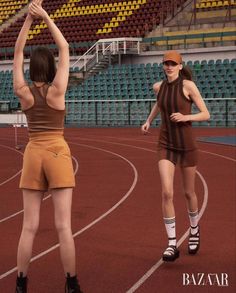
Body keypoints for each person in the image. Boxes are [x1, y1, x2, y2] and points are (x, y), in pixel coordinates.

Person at [13, 1, 82, 292]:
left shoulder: (23, 92)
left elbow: (17, 53)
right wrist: (46, 17)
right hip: (57, 152)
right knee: (63, 227)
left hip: (33, 153)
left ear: (32, 67)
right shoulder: (57, 91)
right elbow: (64, 48)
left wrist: (28, 21)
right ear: (51, 67)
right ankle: (71, 284)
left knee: (29, 226)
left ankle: (20, 284)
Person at [141, 50, 210, 262]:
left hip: (186, 144)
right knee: (167, 193)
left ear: (180, 66)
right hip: (165, 144)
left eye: (173, 63)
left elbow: (206, 114)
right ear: (163, 66)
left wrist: (185, 116)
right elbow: (159, 103)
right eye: (166, 63)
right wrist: (149, 121)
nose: (169, 66)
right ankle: (172, 243)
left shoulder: (188, 86)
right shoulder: (158, 87)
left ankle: (194, 230)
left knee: (189, 193)